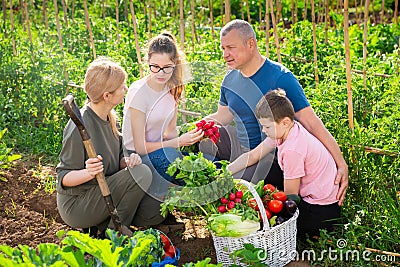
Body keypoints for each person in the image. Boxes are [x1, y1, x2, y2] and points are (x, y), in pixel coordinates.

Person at [201, 19, 348, 205]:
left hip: (267, 157)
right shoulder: (230, 79)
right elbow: (222, 116)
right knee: (205, 142)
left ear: (251, 44)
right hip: (243, 150)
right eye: (223, 48)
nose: (225, 54)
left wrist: (341, 163)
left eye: (231, 47)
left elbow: (310, 122)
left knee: (233, 188)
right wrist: (193, 127)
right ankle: (213, 186)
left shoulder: (280, 77)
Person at [56, 57, 164, 236]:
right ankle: (114, 233)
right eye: (122, 86)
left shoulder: (110, 118)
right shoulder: (79, 126)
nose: (126, 89)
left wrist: (127, 161)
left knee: (155, 209)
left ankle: (105, 223)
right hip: (79, 204)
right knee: (142, 173)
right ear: (107, 96)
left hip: (104, 193)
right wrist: (88, 172)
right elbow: (63, 178)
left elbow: (119, 157)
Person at [229, 89, 341, 239]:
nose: (263, 130)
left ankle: (311, 233)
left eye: (267, 126)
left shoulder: (293, 149)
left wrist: (269, 211)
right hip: (320, 199)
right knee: (265, 167)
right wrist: (227, 170)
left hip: (320, 210)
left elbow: (291, 197)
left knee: (273, 224)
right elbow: (253, 155)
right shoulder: (286, 130)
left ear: (285, 122)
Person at [122, 32, 203, 192]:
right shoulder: (139, 92)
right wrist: (178, 143)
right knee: (170, 159)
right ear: (148, 62)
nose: (161, 73)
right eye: (155, 67)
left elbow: (170, 131)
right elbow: (140, 148)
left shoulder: (173, 88)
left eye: (167, 68)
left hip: (161, 148)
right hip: (135, 157)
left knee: (197, 159)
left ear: (175, 64)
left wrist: (185, 148)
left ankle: (173, 194)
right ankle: (154, 203)